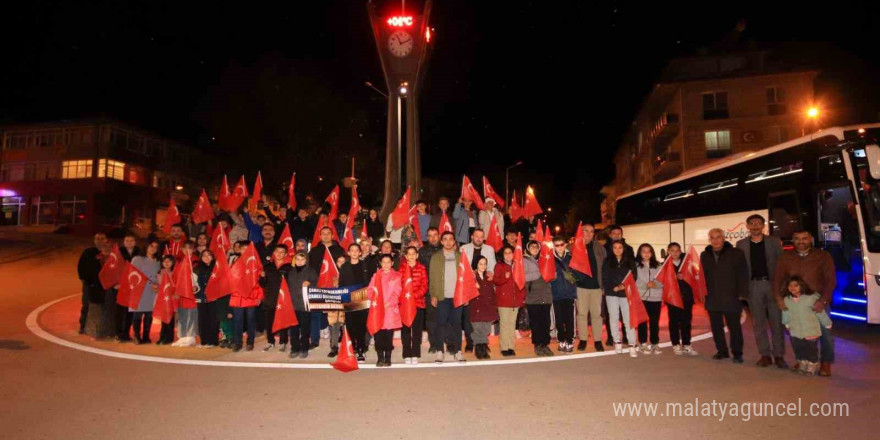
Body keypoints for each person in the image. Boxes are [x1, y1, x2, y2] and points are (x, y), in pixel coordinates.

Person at [773, 230, 837, 377]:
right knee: (798, 334)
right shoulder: (785, 257)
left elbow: (830, 280)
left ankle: (825, 362)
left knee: (825, 334)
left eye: (804, 238)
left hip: (817, 302)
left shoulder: (823, 256)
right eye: (797, 238)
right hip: (795, 304)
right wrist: (779, 298)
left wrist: (823, 300)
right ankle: (803, 360)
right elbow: (778, 279)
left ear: (811, 240)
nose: (801, 241)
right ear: (793, 241)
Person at [735, 214, 786, 368]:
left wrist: (783, 286)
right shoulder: (741, 244)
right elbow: (740, 268)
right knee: (758, 323)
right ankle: (765, 354)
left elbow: (782, 263)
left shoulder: (774, 242)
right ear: (748, 226)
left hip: (773, 285)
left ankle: (778, 355)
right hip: (753, 287)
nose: (755, 226)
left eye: (758, 223)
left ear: (763, 226)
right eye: (752, 223)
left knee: (777, 322)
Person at [701, 228, 749, 364]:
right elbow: (703, 277)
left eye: (718, 237)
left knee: (735, 327)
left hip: (731, 297)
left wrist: (742, 295)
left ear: (723, 238)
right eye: (712, 238)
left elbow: (743, 274)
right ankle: (722, 351)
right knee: (716, 328)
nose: (715, 240)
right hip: (713, 298)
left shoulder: (736, 253)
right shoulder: (704, 255)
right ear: (709, 240)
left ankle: (737, 353)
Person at [782, 276, 833, 375]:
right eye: (790, 286)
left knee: (811, 349)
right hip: (796, 330)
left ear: (802, 286)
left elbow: (820, 312)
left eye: (796, 285)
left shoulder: (811, 298)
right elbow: (785, 312)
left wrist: (827, 323)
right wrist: (786, 323)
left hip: (810, 330)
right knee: (799, 348)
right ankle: (802, 363)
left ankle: (812, 364)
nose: (792, 288)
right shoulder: (787, 300)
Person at [429, 232, 466, 362]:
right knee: (440, 324)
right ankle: (440, 351)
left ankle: (458, 351)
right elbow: (432, 277)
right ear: (442, 242)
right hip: (441, 296)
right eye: (445, 239)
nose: (448, 242)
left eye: (451, 239)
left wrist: (465, 295)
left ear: (454, 241)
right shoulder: (436, 257)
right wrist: (433, 294)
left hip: (457, 297)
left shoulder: (460, 257)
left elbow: (465, 277)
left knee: (456, 324)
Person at [459, 229, 496, 352]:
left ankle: (482, 343)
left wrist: (491, 272)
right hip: (468, 287)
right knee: (470, 318)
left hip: (483, 285)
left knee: (484, 318)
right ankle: (470, 343)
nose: (479, 239)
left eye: (481, 236)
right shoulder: (463, 248)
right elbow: (461, 267)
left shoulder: (489, 249)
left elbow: (492, 266)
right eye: (477, 236)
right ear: (472, 237)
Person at [308, 226, 345, 348]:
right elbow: (310, 268)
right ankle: (314, 340)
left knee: (335, 313)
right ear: (319, 236)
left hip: (334, 286)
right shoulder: (314, 250)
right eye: (323, 233)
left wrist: (339, 280)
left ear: (332, 235)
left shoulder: (339, 249)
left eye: (328, 233)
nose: (326, 235)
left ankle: (335, 337)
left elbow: (343, 266)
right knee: (316, 314)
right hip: (317, 286)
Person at [572, 223, 606, 352]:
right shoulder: (574, 247)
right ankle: (583, 340)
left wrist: (603, 285)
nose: (589, 234)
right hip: (580, 287)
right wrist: (572, 282)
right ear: (581, 232)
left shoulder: (599, 248)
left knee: (597, 315)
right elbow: (567, 269)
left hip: (596, 287)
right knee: (582, 314)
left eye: (591, 231)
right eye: (585, 231)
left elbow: (605, 267)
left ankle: (597, 341)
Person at [602, 241, 638, 357]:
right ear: (612, 249)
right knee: (613, 318)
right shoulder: (607, 261)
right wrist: (614, 287)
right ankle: (617, 342)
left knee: (628, 319)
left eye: (620, 248)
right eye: (615, 248)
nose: (617, 250)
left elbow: (634, 276)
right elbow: (605, 276)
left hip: (626, 293)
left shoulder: (630, 261)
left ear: (624, 249)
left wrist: (623, 286)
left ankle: (632, 344)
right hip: (611, 293)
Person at [339, 243, 373, 362]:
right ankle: (352, 348)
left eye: (356, 250)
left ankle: (361, 350)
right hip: (349, 301)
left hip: (362, 300)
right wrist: (343, 299)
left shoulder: (365, 265)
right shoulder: (344, 267)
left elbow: (369, 283)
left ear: (360, 253)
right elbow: (341, 285)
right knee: (350, 325)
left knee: (361, 326)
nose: (354, 252)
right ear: (348, 253)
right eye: (351, 250)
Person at [602, 224, 633, 346]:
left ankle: (626, 336)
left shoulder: (629, 249)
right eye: (613, 233)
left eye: (618, 233)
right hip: (610, 289)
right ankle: (612, 337)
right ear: (610, 235)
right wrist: (606, 286)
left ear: (622, 235)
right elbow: (604, 271)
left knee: (626, 315)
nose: (616, 235)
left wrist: (625, 285)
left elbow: (632, 269)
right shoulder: (604, 248)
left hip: (625, 288)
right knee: (611, 315)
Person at [665, 243, 698, 356]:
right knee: (674, 322)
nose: (675, 253)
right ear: (668, 251)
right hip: (672, 298)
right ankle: (675, 344)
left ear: (680, 251)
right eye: (672, 250)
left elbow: (695, 277)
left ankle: (687, 343)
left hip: (686, 297)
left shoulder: (687, 264)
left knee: (686, 322)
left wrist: (685, 277)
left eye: (677, 250)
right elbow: (661, 281)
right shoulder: (664, 265)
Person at [370, 254, 402, 367]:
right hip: (377, 310)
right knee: (378, 335)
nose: (386, 264)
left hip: (390, 310)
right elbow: (370, 291)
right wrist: (377, 302)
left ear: (392, 263)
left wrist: (388, 303)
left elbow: (397, 293)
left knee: (388, 336)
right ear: (380, 263)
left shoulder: (397, 276)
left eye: (388, 262)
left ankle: (388, 357)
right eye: (384, 262)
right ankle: (380, 357)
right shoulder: (376, 275)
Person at [493, 245, 525, 356]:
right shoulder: (499, 266)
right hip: (503, 300)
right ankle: (504, 347)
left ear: (513, 254)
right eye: (505, 253)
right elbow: (495, 281)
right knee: (504, 324)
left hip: (515, 301)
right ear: (502, 255)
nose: (508, 255)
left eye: (510, 252)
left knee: (512, 325)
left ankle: (511, 346)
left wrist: (522, 298)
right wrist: (505, 277)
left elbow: (521, 283)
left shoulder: (518, 266)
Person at [524, 240, 554, 356]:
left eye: (536, 247)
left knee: (546, 322)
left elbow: (552, 273)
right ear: (528, 248)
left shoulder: (545, 258)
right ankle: (537, 345)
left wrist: (551, 274)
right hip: (533, 296)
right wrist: (539, 273)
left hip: (545, 295)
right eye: (532, 246)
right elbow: (522, 276)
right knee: (536, 323)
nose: (534, 248)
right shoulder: (524, 260)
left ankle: (545, 344)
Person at [260, 244, 292, 352]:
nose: (279, 254)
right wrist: (262, 277)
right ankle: (270, 342)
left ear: (286, 254)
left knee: (283, 321)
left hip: (283, 298)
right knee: (269, 322)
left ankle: (283, 342)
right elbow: (263, 284)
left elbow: (291, 283)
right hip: (270, 297)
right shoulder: (268, 266)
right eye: (277, 251)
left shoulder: (289, 267)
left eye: (282, 252)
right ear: (274, 253)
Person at [399, 246, 428, 364]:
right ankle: (407, 353)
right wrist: (406, 297)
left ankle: (415, 353)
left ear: (417, 255)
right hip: (405, 305)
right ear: (405, 256)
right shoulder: (401, 269)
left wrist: (413, 296)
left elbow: (424, 286)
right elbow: (399, 286)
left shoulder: (421, 268)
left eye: (413, 254)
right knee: (405, 330)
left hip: (418, 303)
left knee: (417, 330)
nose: (411, 256)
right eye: (408, 254)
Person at [286, 251, 318, 359]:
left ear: (306, 260)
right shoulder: (290, 272)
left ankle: (304, 348)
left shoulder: (311, 271)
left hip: (305, 305)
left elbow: (316, 285)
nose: (300, 262)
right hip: (293, 305)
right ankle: (294, 348)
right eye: (298, 259)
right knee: (293, 329)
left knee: (305, 328)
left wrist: (310, 284)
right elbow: (286, 287)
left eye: (302, 259)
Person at [634, 243, 664, 355]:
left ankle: (654, 343)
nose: (646, 254)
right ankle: (642, 343)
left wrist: (655, 285)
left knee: (654, 322)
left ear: (652, 253)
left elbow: (664, 280)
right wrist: (645, 285)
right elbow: (633, 281)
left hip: (656, 298)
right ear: (640, 253)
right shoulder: (635, 266)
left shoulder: (659, 266)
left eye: (649, 251)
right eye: (643, 251)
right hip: (641, 297)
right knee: (642, 322)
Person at [550, 237, 578, 353]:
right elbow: (546, 276)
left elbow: (578, 274)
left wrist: (573, 275)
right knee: (559, 320)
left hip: (569, 294)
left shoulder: (571, 258)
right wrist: (552, 277)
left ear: (565, 245)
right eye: (556, 245)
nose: (559, 247)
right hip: (556, 294)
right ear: (553, 246)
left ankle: (570, 341)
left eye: (561, 244)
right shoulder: (550, 259)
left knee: (570, 319)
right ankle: (561, 340)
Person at [130, 240, 160, 345]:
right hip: (139, 291)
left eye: (156, 247)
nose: (153, 249)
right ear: (146, 246)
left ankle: (146, 336)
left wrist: (158, 285)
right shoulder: (137, 259)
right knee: (137, 314)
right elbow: (132, 274)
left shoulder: (158, 262)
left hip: (152, 292)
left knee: (149, 315)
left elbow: (159, 277)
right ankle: (136, 335)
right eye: (151, 246)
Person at [77, 233, 107, 334]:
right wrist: (84, 279)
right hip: (90, 284)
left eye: (102, 238)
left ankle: (103, 328)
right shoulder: (88, 252)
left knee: (104, 305)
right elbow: (81, 266)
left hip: (104, 285)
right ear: (94, 241)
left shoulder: (109, 253)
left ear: (106, 240)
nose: (100, 240)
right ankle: (83, 326)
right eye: (98, 239)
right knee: (86, 305)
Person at [419, 227, 443, 352]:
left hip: (445, 288)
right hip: (429, 289)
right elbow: (420, 271)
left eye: (435, 235)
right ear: (427, 237)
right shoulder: (422, 251)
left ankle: (448, 342)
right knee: (431, 318)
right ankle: (433, 344)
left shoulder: (445, 249)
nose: (433, 238)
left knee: (446, 317)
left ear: (439, 236)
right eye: (430, 235)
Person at [471, 256, 499, 359]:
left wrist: (494, 306)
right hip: (476, 307)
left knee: (486, 329)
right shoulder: (472, 277)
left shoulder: (489, 277)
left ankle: (483, 347)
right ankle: (480, 349)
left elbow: (492, 293)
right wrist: (474, 287)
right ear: (476, 265)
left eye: (484, 264)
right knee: (478, 329)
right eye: (480, 264)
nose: (483, 266)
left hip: (487, 307)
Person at [193, 250, 220, 348]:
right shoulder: (196, 269)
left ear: (212, 257)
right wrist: (195, 288)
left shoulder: (217, 268)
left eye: (209, 255)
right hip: (201, 297)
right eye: (204, 255)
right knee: (202, 320)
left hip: (214, 298)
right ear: (201, 257)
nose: (206, 257)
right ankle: (204, 341)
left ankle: (213, 341)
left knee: (214, 319)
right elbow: (193, 283)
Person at [172, 254, 200, 348]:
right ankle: (182, 336)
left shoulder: (196, 265)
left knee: (192, 317)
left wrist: (195, 287)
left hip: (192, 297)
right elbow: (175, 279)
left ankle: (191, 337)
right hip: (182, 296)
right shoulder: (179, 265)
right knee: (182, 316)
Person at [156, 255, 177, 345]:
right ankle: (162, 336)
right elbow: (157, 286)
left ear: (173, 263)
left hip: (172, 299)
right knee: (163, 319)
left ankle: (169, 337)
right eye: (165, 261)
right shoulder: (159, 273)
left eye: (169, 261)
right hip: (163, 299)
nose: (167, 263)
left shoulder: (175, 273)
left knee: (171, 319)